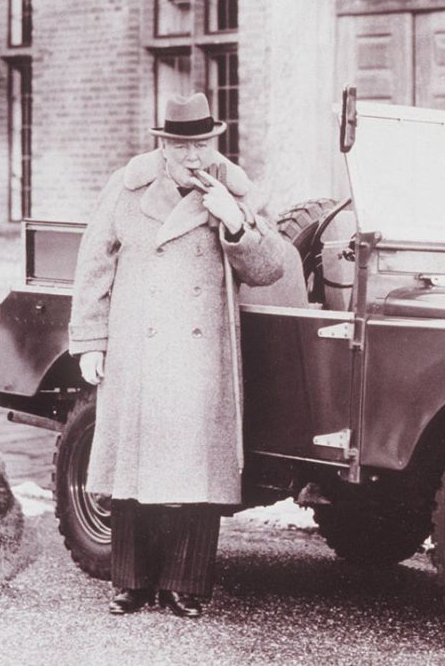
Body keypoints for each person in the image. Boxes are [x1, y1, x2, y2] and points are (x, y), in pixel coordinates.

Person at [67, 93, 286, 617]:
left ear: (215, 142)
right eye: (182, 145)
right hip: (137, 349)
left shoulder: (237, 191)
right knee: (132, 465)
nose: (194, 156)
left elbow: (271, 267)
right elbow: (95, 263)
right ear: (163, 145)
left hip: (198, 351)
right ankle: (131, 582)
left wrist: (234, 223)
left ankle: (186, 585)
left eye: (203, 144)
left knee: (195, 471)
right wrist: (91, 340)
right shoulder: (126, 188)